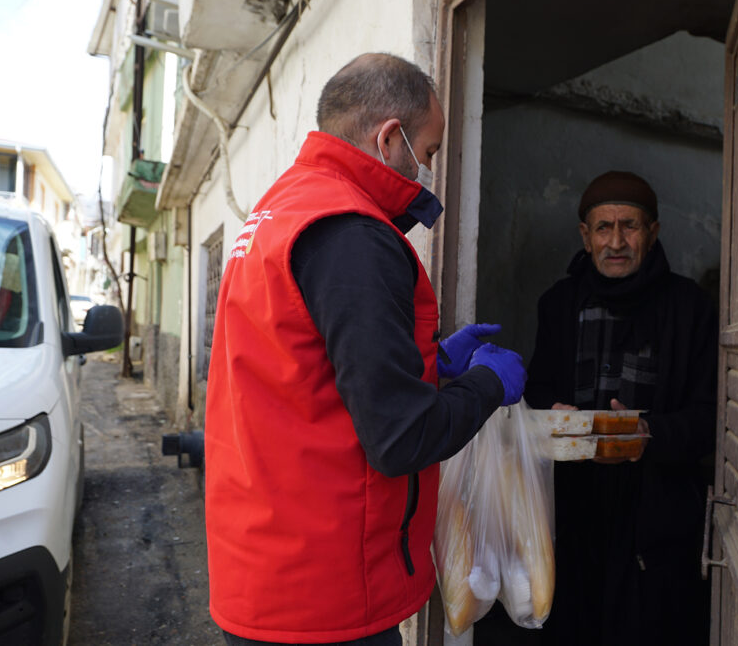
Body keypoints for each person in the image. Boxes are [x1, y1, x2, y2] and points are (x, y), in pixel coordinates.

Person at [203, 53, 526, 646]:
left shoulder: (283, 208)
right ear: (389, 137)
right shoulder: (352, 234)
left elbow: (303, 362)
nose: (428, 170)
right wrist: (486, 385)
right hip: (324, 592)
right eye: (428, 152)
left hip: (266, 563)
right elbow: (403, 438)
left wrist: (427, 360)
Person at [528, 171, 718, 645]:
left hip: (658, 514)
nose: (616, 242)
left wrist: (651, 436)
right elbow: (535, 390)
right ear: (585, 236)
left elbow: (710, 416)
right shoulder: (557, 305)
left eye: (629, 226)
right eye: (603, 228)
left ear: (652, 233)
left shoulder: (691, 309)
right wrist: (552, 411)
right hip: (573, 507)